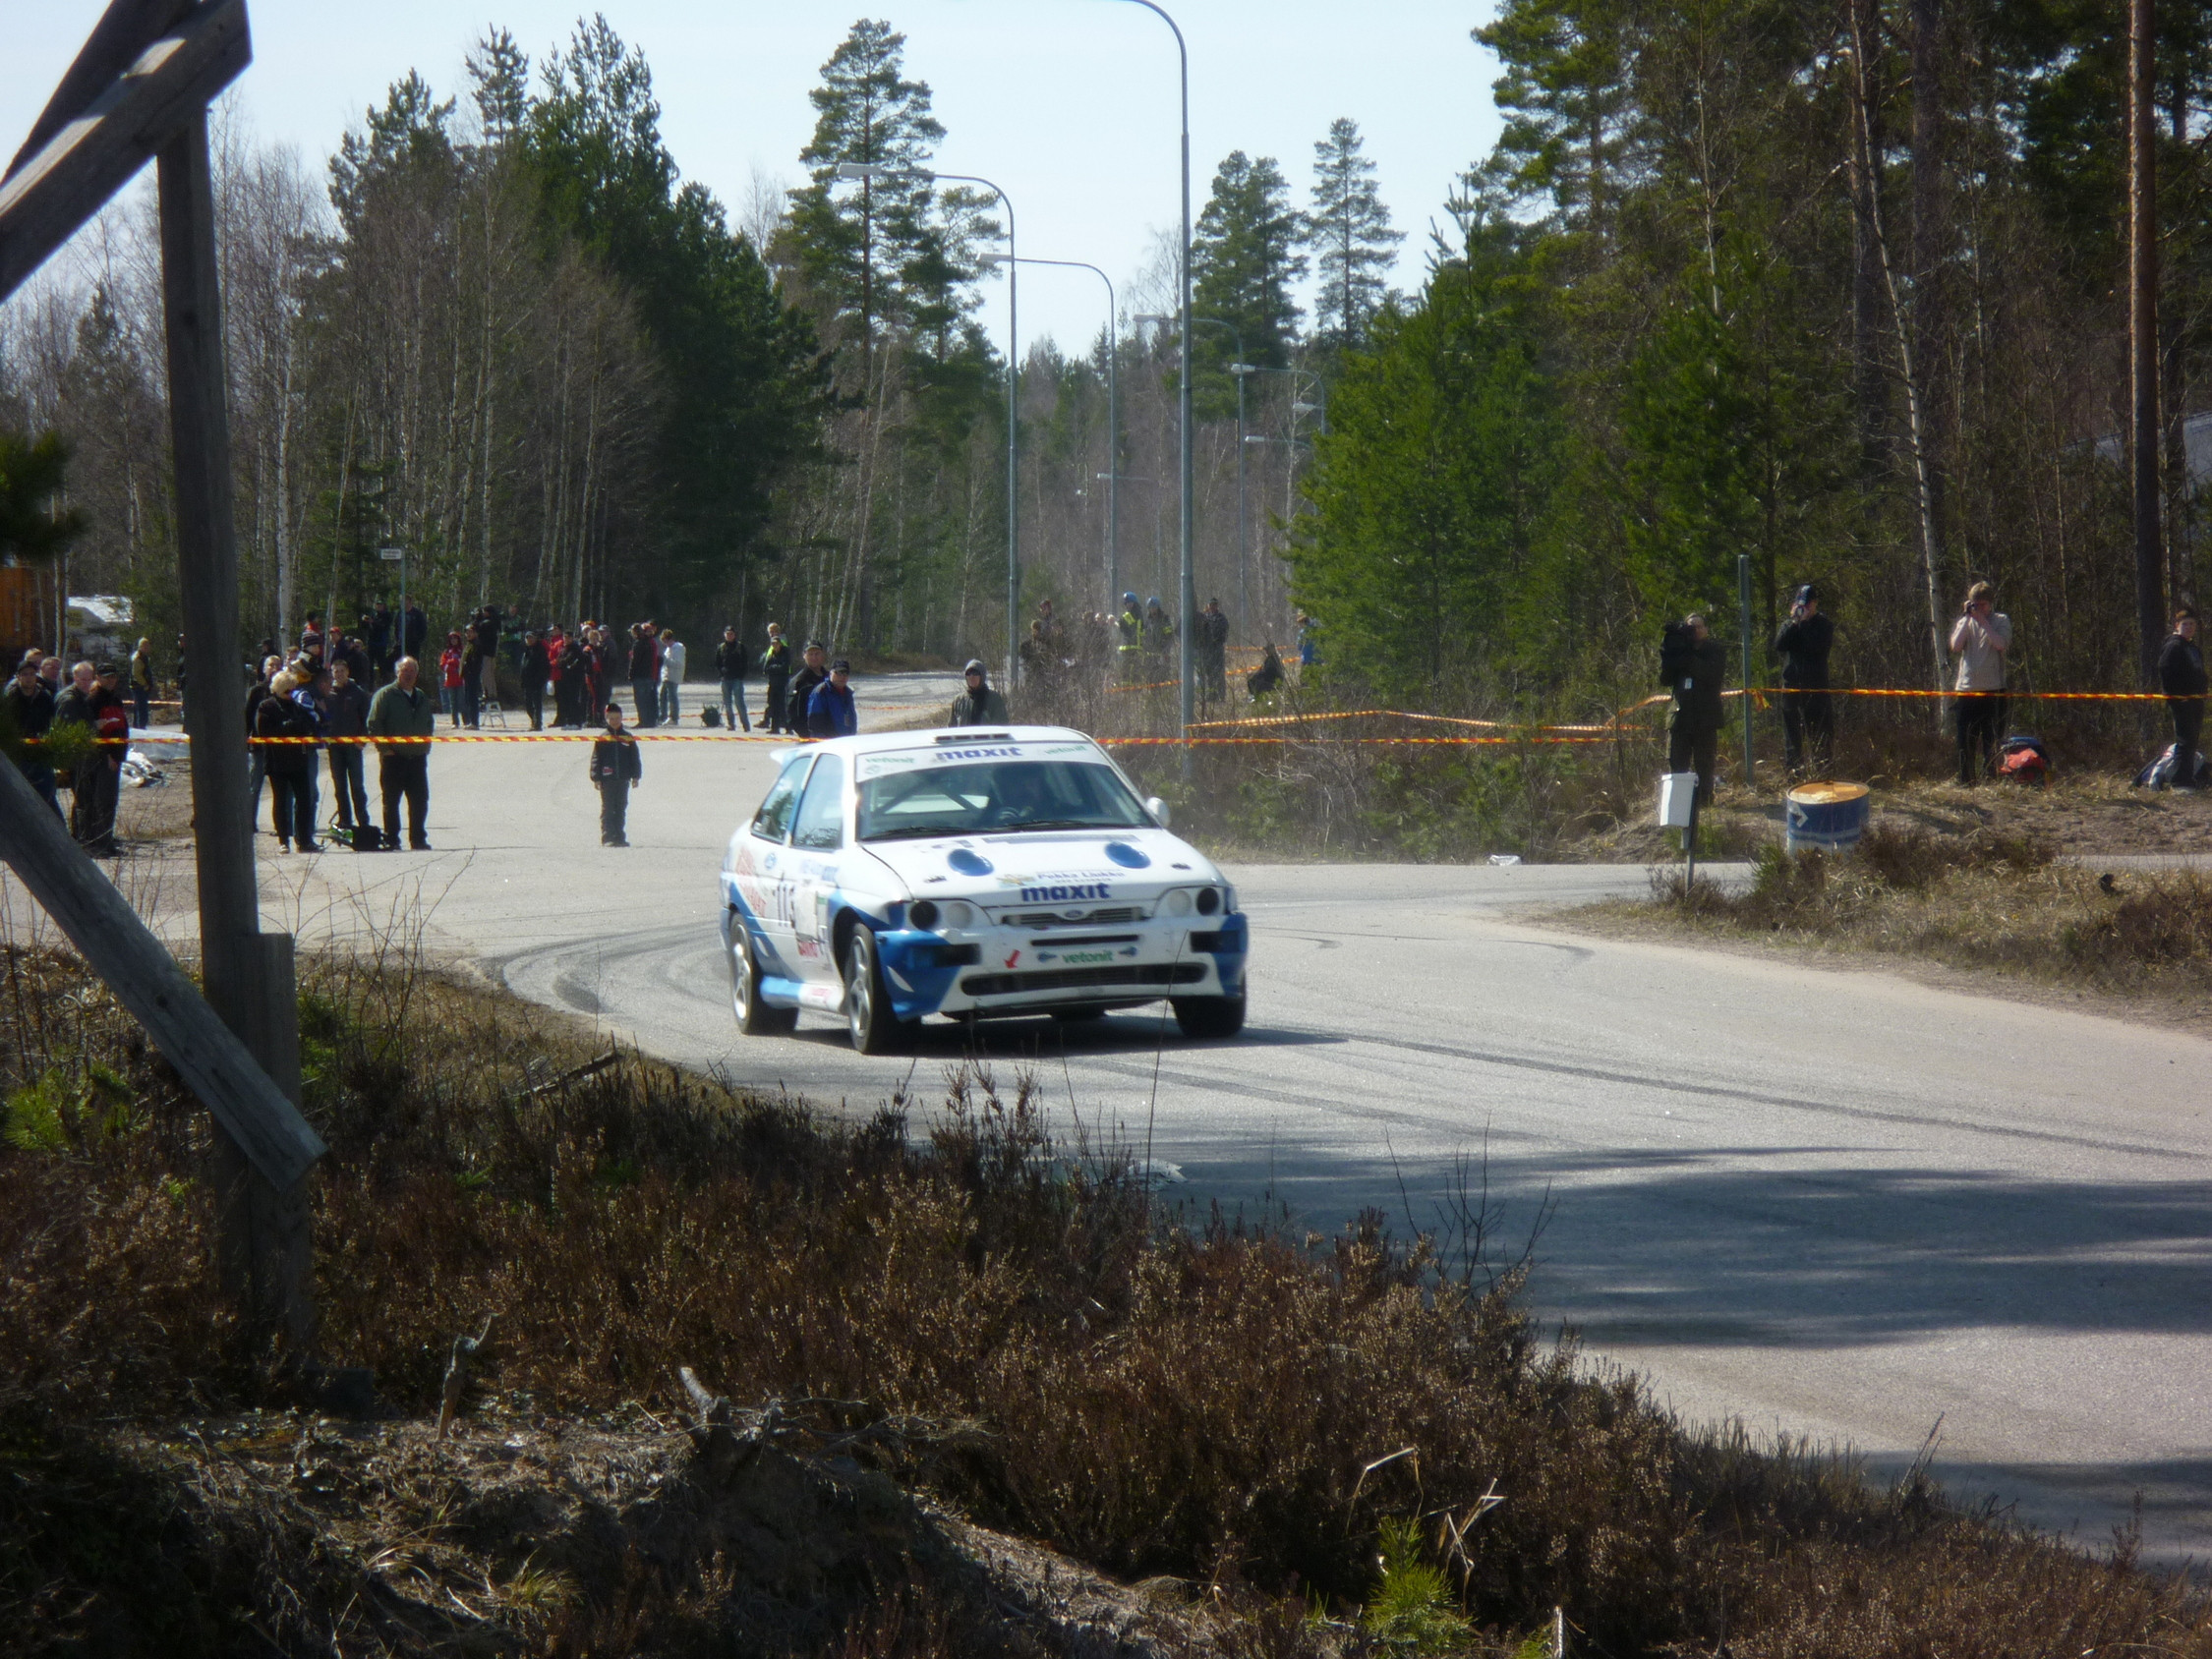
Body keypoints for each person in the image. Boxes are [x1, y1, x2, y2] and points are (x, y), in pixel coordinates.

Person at [367, 655, 435, 850]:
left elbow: (429, 722)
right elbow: (374, 723)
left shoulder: (420, 696)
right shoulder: (385, 695)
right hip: (394, 758)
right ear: (397, 673)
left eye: (412, 671)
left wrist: (426, 744)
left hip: (417, 758)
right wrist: (384, 749)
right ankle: (392, 839)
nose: (408, 675)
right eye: (405, 671)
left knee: (419, 800)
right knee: (391, 800)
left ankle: (418, 839)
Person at [1948, 581, 2012, 784]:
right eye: (1976, 604)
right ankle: (1966, 780)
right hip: (1967, 690)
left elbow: (2001, 644)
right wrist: (1968, 619)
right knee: (1965, 740)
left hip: (1993, 690)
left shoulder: (2001, 620)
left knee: (1991, 740)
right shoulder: (1965, 623)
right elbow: (1956, 646)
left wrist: (1983, 621)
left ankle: (1991, 780)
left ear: (1990, 604)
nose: (1979, 608)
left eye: (1983, 605)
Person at [1663, 612, 1727, 808]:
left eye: (1699, 626)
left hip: (1705, 718)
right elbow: (1665, 680)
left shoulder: (1715, 650)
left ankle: (1705, 804)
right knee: (1677, 763)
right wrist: (1668, 651)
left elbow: (1711, 675)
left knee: (1705, 765)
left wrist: (1688, 657)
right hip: (1680, 717)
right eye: (1690, 627)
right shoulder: (1679, 650)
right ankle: (1680, 807)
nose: (1695, 631)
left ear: (1706, 630)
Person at [255, 670, 321, 853]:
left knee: (304, 801)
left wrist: (307, 723)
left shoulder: (297, 707)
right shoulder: (266, 707)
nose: (291, 694)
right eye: (287, 691)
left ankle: (305, 840)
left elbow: (312, 724)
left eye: (293, 690)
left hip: (298, 760)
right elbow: (265, 732)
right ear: (278, 689)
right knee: (282, 802)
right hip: (277, 762)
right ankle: (284, 840)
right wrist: (290, 726)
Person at [1773, 584, 1835, 776]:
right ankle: (1794, 777)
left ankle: (1823, 777)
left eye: (1807, 605)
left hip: (1816, 690)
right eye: (1801, 605)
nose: (1804, 608)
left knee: (1820, 737)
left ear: (1815, 604)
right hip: (1792, 688)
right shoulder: (1789, 624)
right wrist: (1794, 622)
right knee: (1793, 738)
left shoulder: (1823, 624)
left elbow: (1815, 647)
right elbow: (1779, 645)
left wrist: (1806, 623)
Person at [4, 654, 60, 816]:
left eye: (32, 674)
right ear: (18, 677)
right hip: (18, 755)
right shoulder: (11, 698)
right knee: (18, 798)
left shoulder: (45, 698)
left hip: (41, 754)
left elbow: (53, 722)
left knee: (47, 797)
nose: (29, 678)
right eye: (25, 674)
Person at [324, 658, 373, 839]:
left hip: (353, 746)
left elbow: (366, 719)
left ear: (348, 672)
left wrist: (363, 739)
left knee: (357, 787)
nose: (339, 674)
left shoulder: (359, 693)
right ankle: (345, 822)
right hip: (335, 747)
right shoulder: (328, 694)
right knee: (340, 787)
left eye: (342, 671)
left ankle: (364, 822)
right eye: (335, 672)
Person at [2159, 604, 2207, 787]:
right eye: (2185, 624)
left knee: (2192, 740)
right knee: (2185, 740)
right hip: (2182, 701)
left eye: (2192, 624)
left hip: (2196, 700)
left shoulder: (2192, 647)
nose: (2189, 627)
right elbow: (2165, 670)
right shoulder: (2174, 645)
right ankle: (2180, 781)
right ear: (2177, 625)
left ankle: (2187, 778)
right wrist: (2178, 696)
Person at [590, 703, 644, 846]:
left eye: (617, 718)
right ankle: (608, 837)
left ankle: (619, 836)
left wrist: (636, 776)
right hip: (607, 780)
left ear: (622, 718)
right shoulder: (602, 738)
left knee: (620, 808)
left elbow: (635, 758)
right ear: (607, 718)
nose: (614, 721)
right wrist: (596, 777)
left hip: (623, 779)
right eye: (611, 718)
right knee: (608, 808)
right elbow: (596, 758)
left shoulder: (627, 738)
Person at [243, 653, 280, 830]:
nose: (274, 669)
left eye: (277, 665)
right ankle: (250, 822)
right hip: (258, 746)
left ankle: (280, 824)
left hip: (279, 748)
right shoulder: (257, 691)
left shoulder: (285, 690)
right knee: (254, 786)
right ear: (264, 669)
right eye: (270, 665)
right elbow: (247, 717)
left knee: (280, 790)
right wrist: (245, 739)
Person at [786, 641, 829, 740]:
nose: (814, 657)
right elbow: (791, 713)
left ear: (822, 655)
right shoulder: (799, 681)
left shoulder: (830, 679)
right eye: (810, 654)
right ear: (804, 656)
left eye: (817, 654)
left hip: (829, 736)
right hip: (809, 737)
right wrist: (806, 735)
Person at [807, 658, 858, 738]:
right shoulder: (821, 692)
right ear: (831, 673)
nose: (842, 677)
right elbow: (815, 723)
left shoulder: (848, 694)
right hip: (828, 743)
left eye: (845, 674)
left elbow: (851, 720)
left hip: (846, 741)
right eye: (838, 673)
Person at [949, 658, 1010, 725]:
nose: (971, 676)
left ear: (982, 676)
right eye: (968, 674)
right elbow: (951, 729)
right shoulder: (959, 701)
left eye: (975, 673)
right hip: (965, 736)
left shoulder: (994, 699)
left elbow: (1001, 727)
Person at [715, 625, 751, 731]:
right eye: (727, 634)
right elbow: (717, 663)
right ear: (724, 635)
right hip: (725, 679)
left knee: (739, 702)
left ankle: (746, 725)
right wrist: (721, 674)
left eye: (731, 634)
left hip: (737, 679)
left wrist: (741, 675)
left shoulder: (740, 647)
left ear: (734, 635)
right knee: (727, 704)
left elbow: (745, 662)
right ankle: (731, 724)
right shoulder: (721, 647)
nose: (729, 636)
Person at [1195, 598, 1229, 703]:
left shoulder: (1221, 618)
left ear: (1217, 606)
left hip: (1217, 650)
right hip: (1206, 650)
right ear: (1208, 606)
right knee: (1208, 674)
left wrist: (1215, 639)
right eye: (1211, 605)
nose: (1212, 607)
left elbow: (1224, 634)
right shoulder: (1205, 618)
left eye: (1214, 605)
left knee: (1218, 674)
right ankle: (1211, 696)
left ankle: (1220, 697)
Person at [760, 624, 792, 732]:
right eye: (772, 643)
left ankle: (788, 727)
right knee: (772, 704)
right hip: (773, 681)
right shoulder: (772, 651)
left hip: (782, 681)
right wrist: (773, 668)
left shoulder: (785, 648)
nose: (774, 645)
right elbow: (766, 668)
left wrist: (774, 668)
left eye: (775, 643)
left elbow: (784, 666)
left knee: (782, 705)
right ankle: (774, 728)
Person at [657, 628, 686, 725]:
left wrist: (665, 660)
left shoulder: (678, 648)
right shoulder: (668, 649)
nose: (665, 644)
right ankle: (663, 716)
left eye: (665, 641)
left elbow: (679, 664)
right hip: (666, 677)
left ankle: (674, 717)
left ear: (669, 639)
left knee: (672, 697)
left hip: (674, 677)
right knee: (662, 697)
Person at [437, 632, 465, 727]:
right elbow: (443, 664)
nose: (453, 640)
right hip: (450, 680)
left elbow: (462, 662)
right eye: (451, 638)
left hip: (461, 680)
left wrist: (453, 662)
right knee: (453, 703)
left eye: (455, 638)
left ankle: (466, 721)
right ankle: (455, 722)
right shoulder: (447, 652)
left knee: (462, 701)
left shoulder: (462, 651)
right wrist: (451, 664)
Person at [520, 629, 545, 730]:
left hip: (536, 682)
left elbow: (544, 667)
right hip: (527, 682)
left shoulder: (540, 650)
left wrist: (540, 680)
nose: (529, 639)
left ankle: (537, 723)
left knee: (536, 703)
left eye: (531, 637)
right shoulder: (526, 651)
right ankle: (533, 720)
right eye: (527, 637)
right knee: (528, 704)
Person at [128, 637, 155, 728]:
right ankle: (141, 727)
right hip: (139, 687)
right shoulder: (138, 658)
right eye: (145, 646)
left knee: (138, 708)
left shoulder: (144, 657)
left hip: (141, 687)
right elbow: (136, 674)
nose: (147, 648)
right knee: (142, 709)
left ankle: (138, 727)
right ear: (141, 647)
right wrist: (145, 684)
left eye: (148, 646)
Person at [401, 600, 428, 664]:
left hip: (414, 643)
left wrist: (418, 639)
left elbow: (423, 627)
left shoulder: (417, 614)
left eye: (407, 602)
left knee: (413, 662)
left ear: (410, 603)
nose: (405, 604)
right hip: (402, 642)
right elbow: (397, 626)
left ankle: (414, 674)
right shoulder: (400, 613)